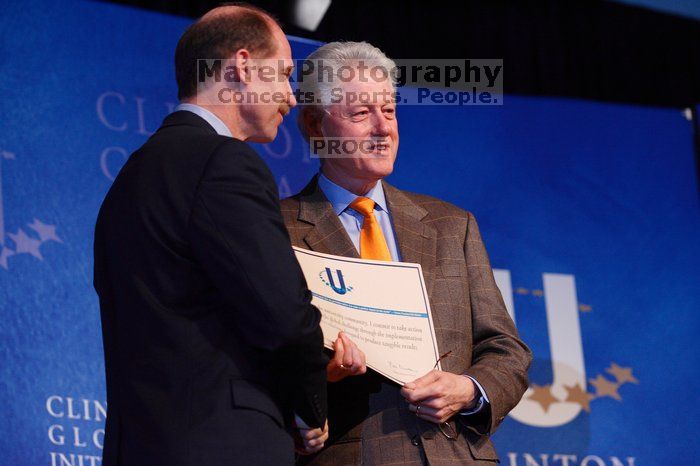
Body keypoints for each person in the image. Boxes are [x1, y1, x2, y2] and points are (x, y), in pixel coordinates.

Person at [93, 6, 328, 465]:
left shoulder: (131, 178)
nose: (290, 96)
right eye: (281, 74)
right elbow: (282, 315)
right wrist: (311, 408)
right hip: (220, 443)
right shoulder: (223, 163)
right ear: (242, 66)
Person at [281, 41, 532, 465]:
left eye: (390, 111)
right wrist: (320, 384)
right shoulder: (275, 229)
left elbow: (506, 349)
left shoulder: (451, 224)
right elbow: (253, 368)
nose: (384, 129)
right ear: (314, 124)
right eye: (362, 113)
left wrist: (468, 390)